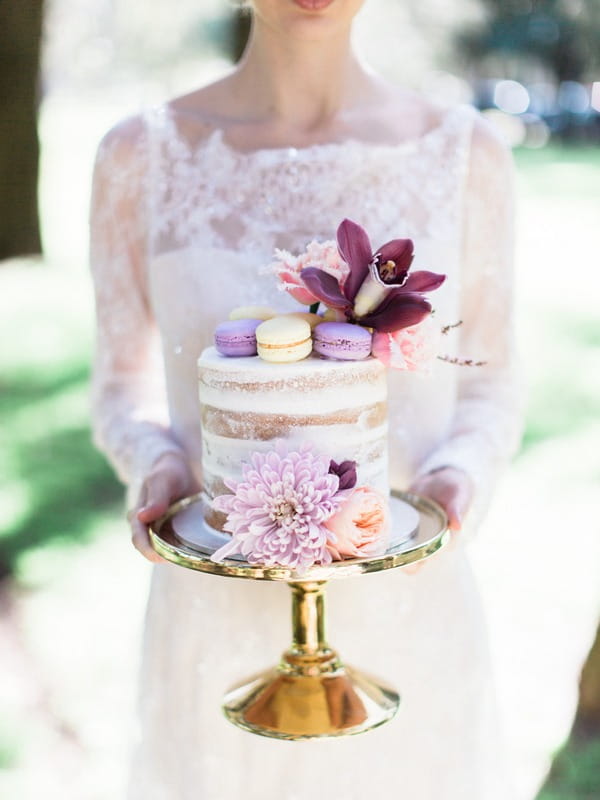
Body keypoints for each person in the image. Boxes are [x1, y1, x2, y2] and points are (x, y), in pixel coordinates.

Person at [90, 1, 522, 797]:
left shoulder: (467, 153)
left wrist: (460, 480)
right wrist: (155, 461)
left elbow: (491, 384)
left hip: (406, 611)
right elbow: (121, 386)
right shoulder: (136, 156)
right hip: (215, 611)